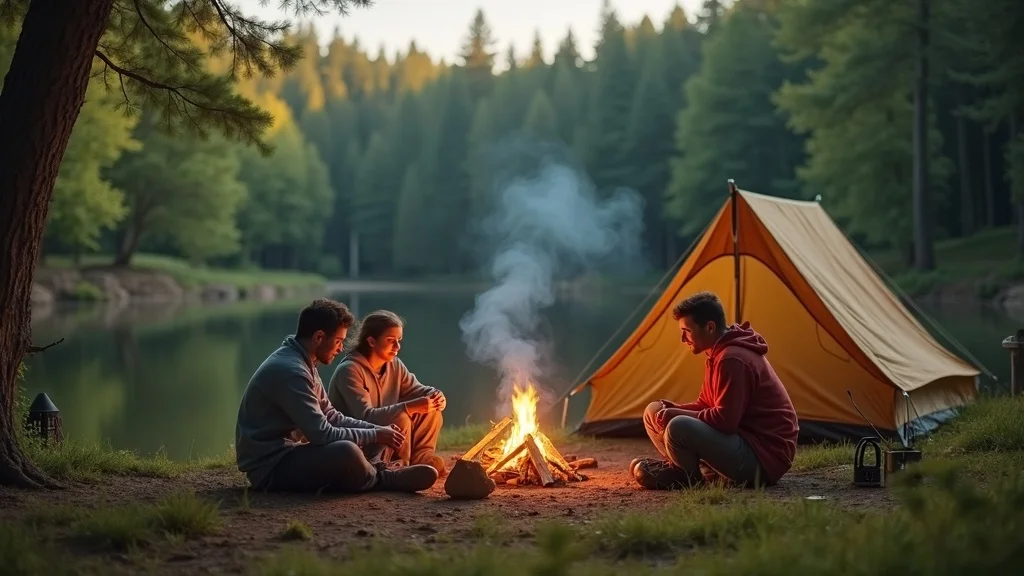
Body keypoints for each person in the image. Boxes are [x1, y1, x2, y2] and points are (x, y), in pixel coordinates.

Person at [235, 298, 439, 494]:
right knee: (346, 451)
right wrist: (376, 434)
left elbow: (332, 415)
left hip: (290, 453)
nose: (341, 348)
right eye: (338, 341)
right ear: (319, 337)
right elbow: (321, 434)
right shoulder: (292, 372)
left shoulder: (304, 362)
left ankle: (375, 469)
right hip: (270, 467)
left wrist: (377, 430)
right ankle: (383, 478)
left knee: (368, 436)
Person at [630, 291, 799, 490]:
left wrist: (676, 414)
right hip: (742, 443)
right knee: (653, 411)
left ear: (710, 327)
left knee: (678, 426)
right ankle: (686, 467)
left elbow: (725, 421)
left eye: (687, 331)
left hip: (763, 459)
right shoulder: (717, 353)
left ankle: (687, 478)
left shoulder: (732, 358)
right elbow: (706, 404)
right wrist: (673, 409)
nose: (683, 339)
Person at [328, 310, 448, 477]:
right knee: (401, 416)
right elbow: (365, 416)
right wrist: (408, 407)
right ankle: (396, 466)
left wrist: (435, 395)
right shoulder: (349, 370)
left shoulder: (394, 365)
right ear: (371, 341)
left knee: (431, 410)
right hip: (359, 441)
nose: (397, 347)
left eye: (399, 340)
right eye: (391, 341)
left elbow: (417, 390)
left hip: (387, 433)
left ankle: (422, 460)